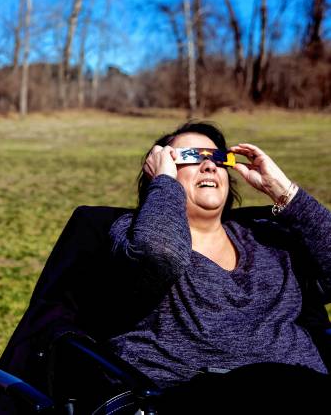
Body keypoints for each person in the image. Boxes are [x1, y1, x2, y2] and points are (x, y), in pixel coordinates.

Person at [107, 121, 331, 412]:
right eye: (190, 156)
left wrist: (285, 193)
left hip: (307, 387)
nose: (209, 166)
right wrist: (163, 182)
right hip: (194, 395)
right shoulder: (135, 234)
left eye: (218, 158)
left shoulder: (267, 236)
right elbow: (160, 253)